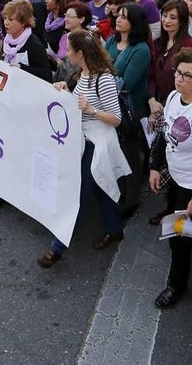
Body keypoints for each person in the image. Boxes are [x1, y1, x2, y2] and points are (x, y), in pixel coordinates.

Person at [38, 30, 130, 267]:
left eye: (69, 50)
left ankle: (57, 247)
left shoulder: (105, 79)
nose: (66, 53)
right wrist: (65, 92)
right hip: (82, 138)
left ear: (80, 53)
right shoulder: (83, 75)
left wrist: (91, 111)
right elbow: (78, 103)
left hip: (98, 141)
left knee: (77, 192)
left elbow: (116, 119)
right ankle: (114, 227)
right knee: (98, 184)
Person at [148, 48, 192, 307]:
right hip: (175, 177)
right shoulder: (172, 97)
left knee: (177, 238)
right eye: (178, 72)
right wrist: (154, 166)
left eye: (187, 75)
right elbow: (163, 134)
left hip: (191, 184)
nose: (179, 78)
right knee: (183, 227)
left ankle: (175, 285)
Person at [0, 0, 54, 210]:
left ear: (23, 22)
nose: (6, 22)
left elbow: (45, 76)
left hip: (27, 106)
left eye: (11, 19)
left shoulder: (33, 44)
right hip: (9, 100)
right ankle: (1, 189)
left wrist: (21, 69)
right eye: (5, 18)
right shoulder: (9, 40)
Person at [146, 0, 192, 225]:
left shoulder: (188, 47)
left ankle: (175, 211)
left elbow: (187, 84)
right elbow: (151, 74)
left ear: (182, 20)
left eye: (173, 17)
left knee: (173, 159)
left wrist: (167, 106)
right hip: (158, 106)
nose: (167, 20)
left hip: (176, 111)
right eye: (165, 15)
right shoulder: (159, 41)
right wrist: (151, 100)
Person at [104, 2, 152, 120]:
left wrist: (103, 78)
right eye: (119, 16)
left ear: (135, 22)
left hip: (129, 108)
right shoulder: (111, 41)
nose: (118, 19)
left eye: (124, 17)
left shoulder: (140, 49)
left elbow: (126, 85)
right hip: (107, 101)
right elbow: (99, 65)